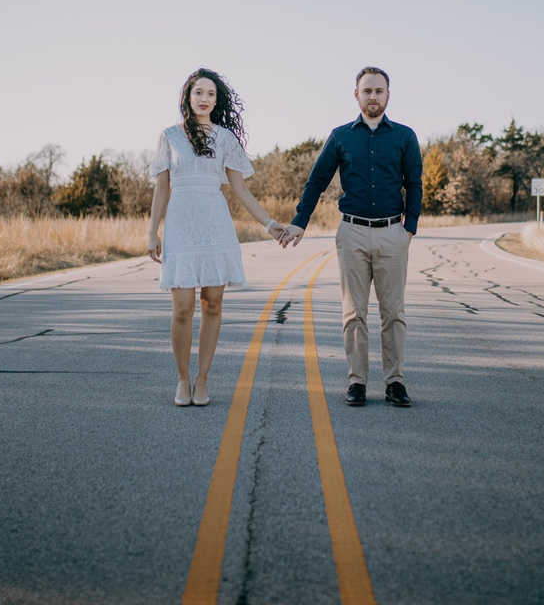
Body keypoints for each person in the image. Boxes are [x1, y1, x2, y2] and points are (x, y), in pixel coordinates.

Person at [281, 66, 423, 407]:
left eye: (379, 91)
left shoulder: (404, 136)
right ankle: (357, 382)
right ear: (356, 95)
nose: (373, 96)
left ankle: (395, 382)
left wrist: (409, 229)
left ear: (388, 95)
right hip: (352, 232)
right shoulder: (341, 136)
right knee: (353, 313)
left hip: (392, 233)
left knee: (393, 312)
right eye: (367, 91)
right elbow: (317, 180)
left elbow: (414, 184)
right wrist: (301, 220)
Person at [149, 69, 287, 407]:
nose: (204, 98)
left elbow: (240, 189)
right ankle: (182, 379)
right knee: (182, 308)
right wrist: (152, 232)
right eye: (198, 92)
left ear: (216, 100)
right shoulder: (169, 136)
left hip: (215, 225)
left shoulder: (226, 139)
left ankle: (202, 380)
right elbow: (162, 187)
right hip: (180, 225)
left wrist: (270, 225)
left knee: (212, 303)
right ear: (188, 96)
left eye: (210, 93)